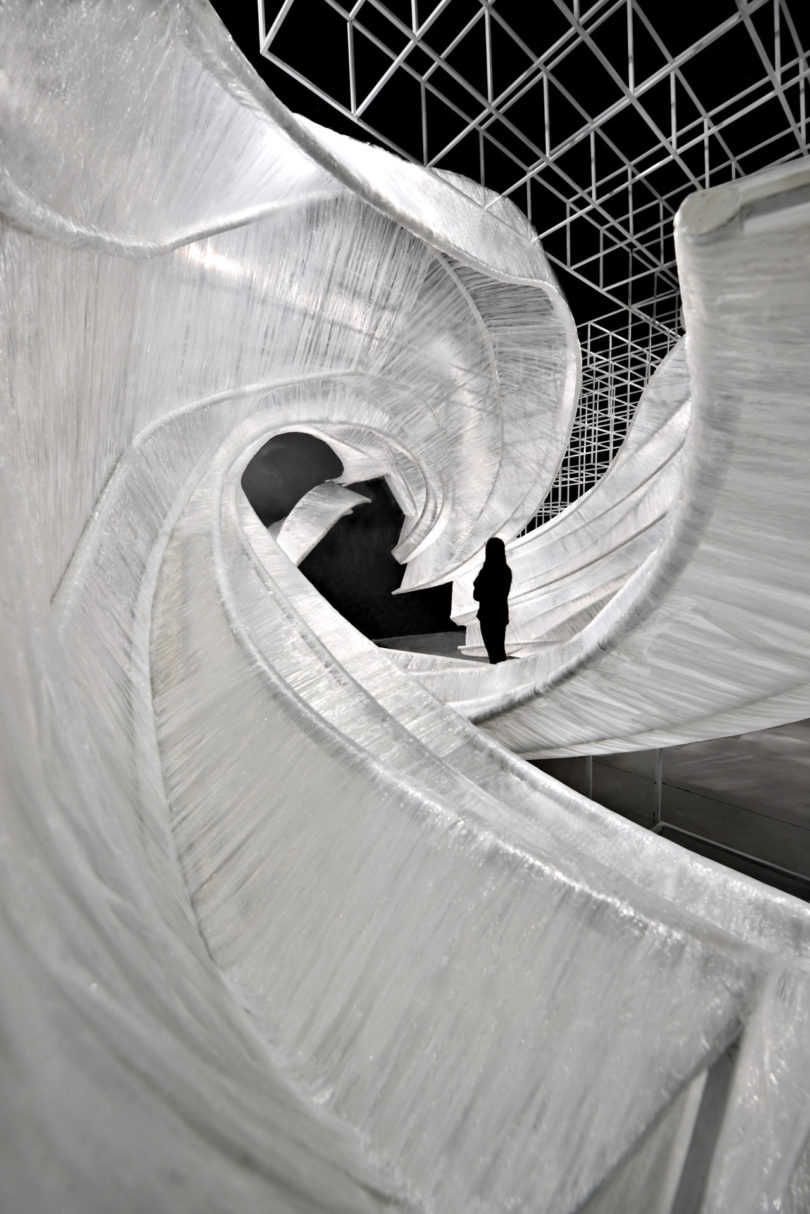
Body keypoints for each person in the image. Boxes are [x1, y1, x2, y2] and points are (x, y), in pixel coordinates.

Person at [472, 538, 512, 663]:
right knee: (499, 651)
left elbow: (477, 596)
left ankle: (500, 673)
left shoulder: (486, 572)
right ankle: (502, 673)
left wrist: (479, 582)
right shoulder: (506, 571)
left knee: (493, 653)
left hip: (487, 616)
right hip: (500, 615)